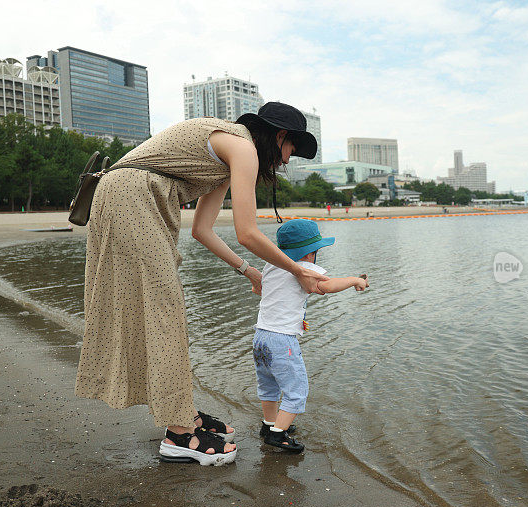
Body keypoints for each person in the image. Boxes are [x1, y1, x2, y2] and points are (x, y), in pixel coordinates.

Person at [75, 102, 330, 466]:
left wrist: (252, 273)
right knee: (165, 312)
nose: (287, 161)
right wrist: (297, 269)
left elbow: (202, 230)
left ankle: (183, 414)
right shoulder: (242, 147)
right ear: (279, 136)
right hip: (133, 197)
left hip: (130, 195)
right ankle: (180, 434)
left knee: (160, 310)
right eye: (291, 149)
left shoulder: (227, 152)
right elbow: (247, 232)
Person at [252, 219, 368, 453]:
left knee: (269, 385)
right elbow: (327, 286)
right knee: (297, 390)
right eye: (316, 252)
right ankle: (278, 435)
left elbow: (261, 288)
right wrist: (356, 280)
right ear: (309, 254)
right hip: (282, 340)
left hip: (260, 336)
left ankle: (269, 424)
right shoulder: (305, 267)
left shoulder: (272, 264)